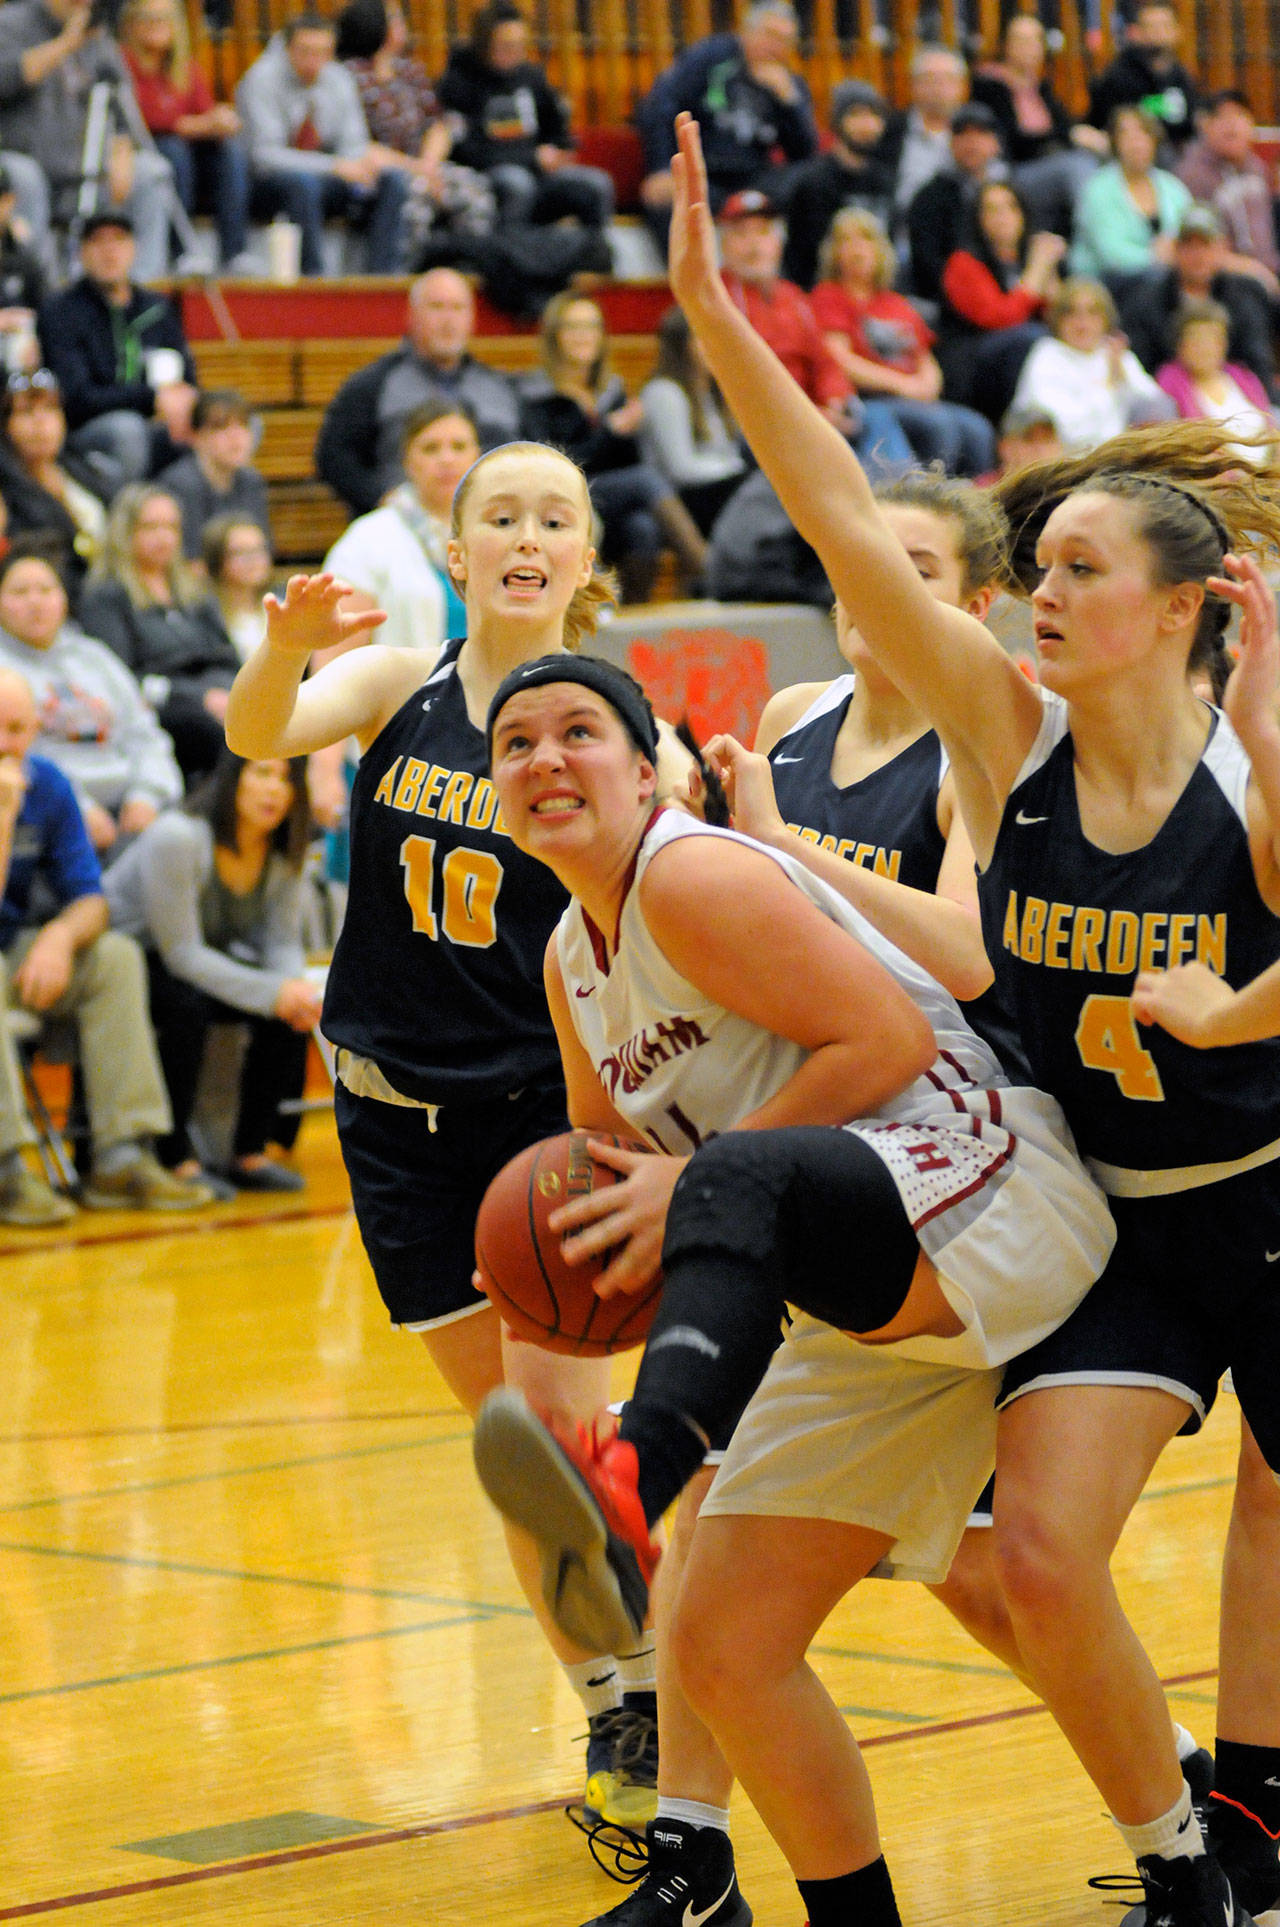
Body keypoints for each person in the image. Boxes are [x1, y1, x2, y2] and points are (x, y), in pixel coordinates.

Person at [658, 109, 1280, 1927]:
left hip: (1267, 1180)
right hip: (1123, 1229)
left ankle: (1242, 1819)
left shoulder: (1249, 784)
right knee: (1044, 1562)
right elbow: (849, 515)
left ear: (1179, 611)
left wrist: (1233, 1008)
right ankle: (1200, 1856)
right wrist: (715, 317)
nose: (1037, 597)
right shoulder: (1008, 746)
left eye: (1078, 570)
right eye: (1034, 571)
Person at [471, 649, 1113, 1927]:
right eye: (514, 744)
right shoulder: (567, 958)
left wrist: (700, 1189)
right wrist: (573, 1264)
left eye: (579, 731)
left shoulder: (691, 873)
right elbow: (620, 1171)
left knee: (1016, 1571)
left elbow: (890, 1044)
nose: (545, 759)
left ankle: (630, 1476)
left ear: (646, 765)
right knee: (720, 1643)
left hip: (978, 1180)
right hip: (826, 1252)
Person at [223, 439, 662, 1834]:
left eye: (555, 518)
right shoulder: (395, 681)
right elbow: (254, 733)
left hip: (541, 1113)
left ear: (584, 560)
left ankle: (655, 1693)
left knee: (551, 1432)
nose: (527, 536)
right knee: (512, 1448)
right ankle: (609, 1694)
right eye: (500, 517)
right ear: (455, 548)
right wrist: (280, 643)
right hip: (388, 1118)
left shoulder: (603, 721)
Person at [0, 664, 213, 1219]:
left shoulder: (45, 782)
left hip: (13, 955)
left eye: (18, 729)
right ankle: (5, 1170)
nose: (7, 744)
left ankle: (120, 1157)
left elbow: (91, 897)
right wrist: (2, 820)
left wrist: (59, 937)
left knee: (114, 956)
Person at [104, 748, 319, 1190]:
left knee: (282, 1009)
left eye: (286, 780)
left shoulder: (282, 850)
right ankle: (175, 1157)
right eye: (261, 773)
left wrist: (292, 990)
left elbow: (281, 941)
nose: (273, 790)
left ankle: (249, 1154)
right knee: (189, 1007)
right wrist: (272, 991)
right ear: (231, 779)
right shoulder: (178, 836)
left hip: (194, 958)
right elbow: (181, 953)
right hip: (127, 954)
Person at [518, 293, 708, 604]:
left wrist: (630, 432)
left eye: (592, 327)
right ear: (555, 336)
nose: (584, 336)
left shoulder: (611, 391)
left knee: (642, 528)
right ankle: (704, 568)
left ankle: (632, 619)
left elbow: (625, 462)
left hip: (609, 498)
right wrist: (609, 431)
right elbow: (554, 463)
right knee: (646, 481)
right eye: (573, 327)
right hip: (561, 497)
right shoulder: (537, 396)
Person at [0, 547, 182, 856]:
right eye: (20, 591)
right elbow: (15, 753)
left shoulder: (95, 656)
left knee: (181, 839)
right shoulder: (6, 672)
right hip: (49, 818)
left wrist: (146, 796)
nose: (35, 601)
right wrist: (76, 806)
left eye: (46, 590)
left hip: (130, 809)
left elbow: (145, 734)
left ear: (64, 599)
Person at [715, 187, 912, 472]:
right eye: (741, 233)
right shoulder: (716, 298)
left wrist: (836, 400)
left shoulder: (794, 297)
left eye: (763, 233)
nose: (754, 244)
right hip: (763, 420)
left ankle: (904, 501)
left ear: (778, 242)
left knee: (876, 416)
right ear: (724, 244)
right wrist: (811, 414)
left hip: (813, 414)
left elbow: (824, 361)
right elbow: (738, 376)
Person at [314, 267, 521, 516]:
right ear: (411, 315)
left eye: (457, 308)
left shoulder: (500, 387)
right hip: (401, 527)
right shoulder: (371, 385)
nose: (448, 320)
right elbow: (333, 457)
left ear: (472, 318)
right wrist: (380, 498)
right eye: (436, 307)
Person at [0, 0, 176, 280]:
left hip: (89, 165)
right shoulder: (11, 23)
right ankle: (35, 291)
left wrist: (122, 148)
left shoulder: (97, 31)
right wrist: (65, 44)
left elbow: (121, 98)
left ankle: (141, 292)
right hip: (27, 163)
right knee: (23, 176)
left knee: (150, 172)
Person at [812, 208, 996, 475]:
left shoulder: (896, 303)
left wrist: (927, 386)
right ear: (834, 253)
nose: (857, 249)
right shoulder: (829, 296)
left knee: (977, 429)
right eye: (846, 241)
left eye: (865, 239)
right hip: (870, 399)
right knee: (939, 425)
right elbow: (840, 359)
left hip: (912, 396)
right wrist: (903, 386)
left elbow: (926, 360)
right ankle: (933, 501)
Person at [77, 484, 241, 784]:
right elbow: (119, 678)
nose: (163, 537)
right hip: (163, 708)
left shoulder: (193, 589)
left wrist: (232, 693)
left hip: (219, 697)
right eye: (150, 527)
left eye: (171, 527)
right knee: (222, 737)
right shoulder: (107, 596)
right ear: (125, 532)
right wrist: (199, 697)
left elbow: (228, 656)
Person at [235, 11, 409, 276]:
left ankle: (382, 275)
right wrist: (333, 165)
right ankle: (314, 276)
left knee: (392, 180)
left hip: (329, 179)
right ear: (287, 48)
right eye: (304, 51)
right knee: (303, 183)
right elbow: (264, 155)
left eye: (322, 52)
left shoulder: (339, 78)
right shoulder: (261, 80)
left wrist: (357, 166)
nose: (313, 61)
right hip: (270, 183)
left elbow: (354, 142)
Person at [36, 210, 198, 490]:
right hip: (91, 427)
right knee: (127, 431)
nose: (109, 251)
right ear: (82, 252)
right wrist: (151, 399)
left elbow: (187, 376)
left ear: (133, 248)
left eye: (119, 240)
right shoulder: (61, 311)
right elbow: (76, 398)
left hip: (159, 418)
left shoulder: (156, 307)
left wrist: (186, 402)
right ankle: (129, 525)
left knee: (230, 422)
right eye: (98, 242)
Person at [635, 1, 817, 242]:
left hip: (754, 180)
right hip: (703, 170)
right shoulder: (710, 57)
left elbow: (805, 154)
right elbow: (661, 105)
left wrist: (790, 103)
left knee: (812, 180)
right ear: (746, 32)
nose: (775, 47)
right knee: (669, 196)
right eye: (770, 35)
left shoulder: (788, 83)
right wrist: (661, 167)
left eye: (784, 40)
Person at [435, 1, 612, 238]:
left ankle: (595, 258)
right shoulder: (459, 82)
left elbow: (556, 130)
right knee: (517, 183)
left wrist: (560, 151)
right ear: (485, 45)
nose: (516, 53)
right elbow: (466, 151)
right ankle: (514, 261)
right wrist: (531, 158)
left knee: (596, 184)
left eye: (520, 45)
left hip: (538, 174)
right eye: (506, 46)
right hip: (486, 177)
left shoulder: (531, 77)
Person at [335, 0, 493, 260]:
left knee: (475, 191)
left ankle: (470, 268)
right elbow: (356, 144)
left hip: (423, 165)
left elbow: (438, 123)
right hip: (379, 172)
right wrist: (417, 170)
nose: (402, 25)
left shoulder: (408, 70)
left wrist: (428, 166)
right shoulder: (347, 76)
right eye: (395, 19)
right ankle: (408, 276)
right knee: (414, 200)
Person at [323, 398, 474, 652]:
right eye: (430, 448)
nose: (447, 459)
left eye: (459, 446)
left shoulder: (503, 531)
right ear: (407, 461)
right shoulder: (367, 539)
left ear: (478, 455)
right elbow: (333, 663)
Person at [116, 0, 253, 273]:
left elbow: (205, 110)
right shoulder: (123, 62)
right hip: (140, 150)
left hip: (188, 154)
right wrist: (196, 124)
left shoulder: (184, 67)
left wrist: (221, 120)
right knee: (174, 151)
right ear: (130, 24)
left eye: (164, 19)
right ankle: (182, 252)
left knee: (230, 154)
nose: (156, 26)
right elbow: (144, 119)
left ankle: (235, 253)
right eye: (147, 18)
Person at [970, 12, 1105, 236]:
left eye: (1035, 40)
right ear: (1005, 45)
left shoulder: (1039, 87)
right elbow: (1013, 140)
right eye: (1021, 40)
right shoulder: (990, 86)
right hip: (1012, 172)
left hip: (1049, 164)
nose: (1029, 47)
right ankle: (1098, 238)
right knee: (1075, 167)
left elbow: (1063, 126)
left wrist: (1079, 135)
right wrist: (1067, 136)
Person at [1119, 203, 1278, 391]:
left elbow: (1256, 360)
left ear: (1222, 248)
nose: (1198, 255)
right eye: (1189, 246)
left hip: (1235, 398)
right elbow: (1142, 367)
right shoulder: (1147, 300)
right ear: (1175, 250)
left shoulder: (1243, 295)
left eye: (1205, 245)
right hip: (1170, 402)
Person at [937, 178, 1063, 417]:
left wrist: (1051, 272)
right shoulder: (963, 263)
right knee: (1032, 338)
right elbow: (999, 319)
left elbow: (1060, 321)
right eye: (992, 210)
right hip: (973, 368)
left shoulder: (1030, 257)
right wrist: (1037, 270)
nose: (1002, 216)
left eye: (1010, 207)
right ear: (978, 219)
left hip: (1018, 355)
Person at [1008, 276, 1173, 449]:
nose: (1082, 323)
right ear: (1058, 319)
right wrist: (1108, 387)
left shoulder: (1115, 354)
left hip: (1119, 457)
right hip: (1065, 461)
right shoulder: (1047, 355)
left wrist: (1122, 377)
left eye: (1093, 313)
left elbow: (1158, 405)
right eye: (1072, 313)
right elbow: (1067, 430)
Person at [637, 307, 749, 538]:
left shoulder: (715, 391)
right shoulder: (664, 392)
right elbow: (681, 468)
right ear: (681, 346)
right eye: (704, 338)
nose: (716, 346)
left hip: (717, 490)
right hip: (680, 500)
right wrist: (737, 469)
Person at [0, 369, 108, 595]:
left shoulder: (83, 470)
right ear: (6, 425)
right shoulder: (7, 493)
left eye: (50, 408)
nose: (40, 422)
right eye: (26, 411)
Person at [779, 79, 893, 292]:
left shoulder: (884, 179)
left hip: (873, 294)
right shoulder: (813, 182)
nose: (866, 125)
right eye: (856, 115)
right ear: (838, 121)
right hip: (821, 294)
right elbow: (801, 258)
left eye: (874, 115)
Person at [1069, 105, 1192, 285]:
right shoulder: (1098, 189)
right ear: (1115, 142)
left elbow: (1188, 231)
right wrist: (1155, 258)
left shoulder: (1173, 187)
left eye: (1143, 133)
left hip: (1164, 280)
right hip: (1104, 284)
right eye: (1126, 135)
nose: (1136, 142)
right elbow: (1110, 254)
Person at [904, 100, 1006, 307]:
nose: (972, 143)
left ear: (996, 142)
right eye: (962, 134)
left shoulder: (1009, 190)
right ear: (950, 142)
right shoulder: (929, 198)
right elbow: (927, 266)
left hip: (1006, 295)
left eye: (980, 134)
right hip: (953, 304)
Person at [1176, 91, 1280, 289]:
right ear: (1205, 125)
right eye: (1222, 116)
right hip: (1224, 280)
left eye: (1240, 115)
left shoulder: (1257, 168)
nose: (1232, 124)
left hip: (1269, 271)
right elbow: (1197, 248)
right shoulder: (1192, 175)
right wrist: (1255, 271)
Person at [154, 389, 270, 563]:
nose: (236, 436)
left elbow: (263, 550)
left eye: (243, 425)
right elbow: (187, 560)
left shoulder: (251, 481)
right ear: (196, 436)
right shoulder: (180, 484)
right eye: (221, 427)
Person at [1155, 297, 1280, 459]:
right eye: (1196, 339)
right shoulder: (1169, 383)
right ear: (1180, 345)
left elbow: (1270, 423)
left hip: (1266, 470)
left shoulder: (1243, 377)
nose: (1205, 347)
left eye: (1213, 339)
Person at [1087, 0, 1202, 155]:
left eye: (1165, 26)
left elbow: (1190, 121)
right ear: (1136, 33)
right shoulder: (1119, 76)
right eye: (1151, 27)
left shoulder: (1181, 76)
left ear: (1178, 31)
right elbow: (1111, 126)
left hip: (1177, 149)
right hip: (1130, 153)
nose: (1158, 33)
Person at [877, 43, 970, 231]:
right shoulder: (891, 131)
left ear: (962, 86)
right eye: (929, 79)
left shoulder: (976, 131)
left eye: (946, 80)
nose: (937, 88)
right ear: (912, 85)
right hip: (902, 230)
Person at [203, 514, 273, 664]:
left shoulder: (279, 605)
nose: (253, 560)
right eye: (240, 553)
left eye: (259, 550)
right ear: (218, 560)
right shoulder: (205, 617)